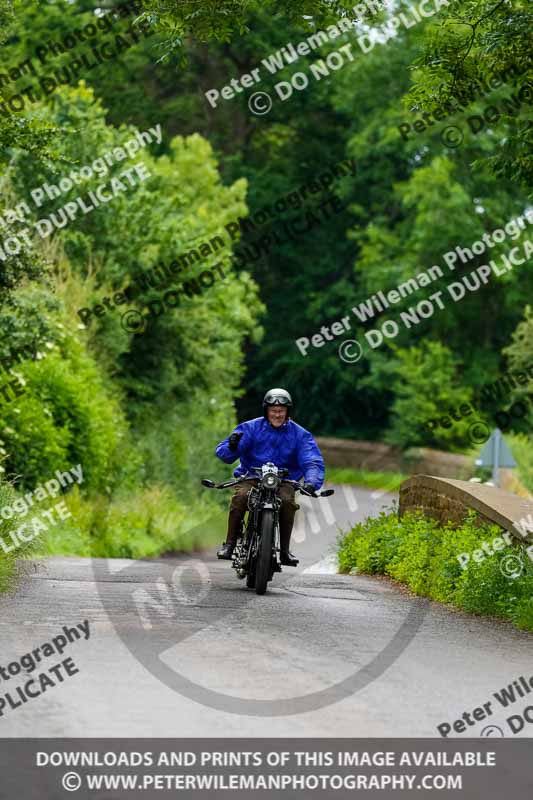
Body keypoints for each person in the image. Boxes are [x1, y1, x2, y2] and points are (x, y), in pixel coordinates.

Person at [215, 388, 325, 566]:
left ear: (288, 412)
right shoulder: (250, 428)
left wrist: (312, 482)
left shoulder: (300, 435)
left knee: (288, 502)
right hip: (252, 476)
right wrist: (233, 446)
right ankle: (229, 544)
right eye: (273, 410)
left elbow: (312, 460)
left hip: (284, 480)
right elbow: (226, 455)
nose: (277, 414)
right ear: (266, 411)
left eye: (281, 411)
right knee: (241, 497)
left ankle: (284, 551)